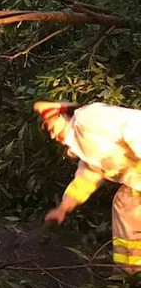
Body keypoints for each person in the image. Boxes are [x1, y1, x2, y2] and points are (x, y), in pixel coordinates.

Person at [34, 100, 141, 273]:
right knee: (126, 205)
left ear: (60, 115)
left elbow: (134, 126)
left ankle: (130, 274)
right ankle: (130, 275)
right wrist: (63, 208)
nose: (53, 136)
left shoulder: (88, 117)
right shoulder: (84, 147)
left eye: (50, 126)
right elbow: (86, 180)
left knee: (125, 204)